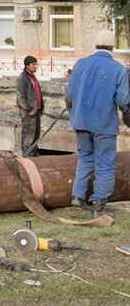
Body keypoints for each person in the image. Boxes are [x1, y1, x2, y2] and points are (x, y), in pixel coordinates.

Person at [66, 30, 130, 218]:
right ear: (112, 46)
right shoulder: (118, 69)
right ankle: (99, 201)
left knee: (85, 157)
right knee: (105, 163)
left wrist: (74, 115)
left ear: (96, 45)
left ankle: (77, 196)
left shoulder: (80, 64)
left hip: (81, 122)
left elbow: (69, 96)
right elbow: (123, 100)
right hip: (104, 124)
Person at [17, 55, 43, 157]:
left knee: (36, 136)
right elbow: (20, 97)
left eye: (36, 64)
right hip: (29, 113)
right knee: (28, 137)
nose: (35, 66)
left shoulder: (33, 77)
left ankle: (35, 157)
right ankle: (27, 157)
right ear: (27, 66)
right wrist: (28, 109)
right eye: (33, 64)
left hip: (36, 112)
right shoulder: (22, 78)